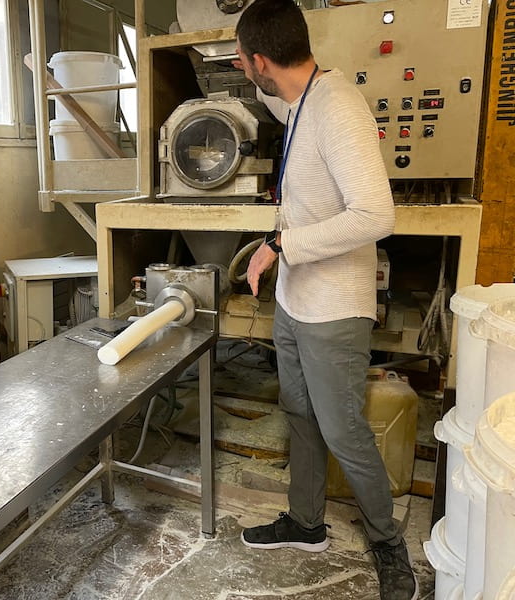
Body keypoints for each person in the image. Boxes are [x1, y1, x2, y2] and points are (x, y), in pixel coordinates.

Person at [232, 2, 418, 599]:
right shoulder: (297, 97)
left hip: (335, 307)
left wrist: (282, 243)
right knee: (301, 416)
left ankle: (389, 545)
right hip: (296, 298)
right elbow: (273, 95)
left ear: (262, 60)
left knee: (344, 433)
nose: (242, 70)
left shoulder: (336, 107)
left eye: (242, 61)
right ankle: (305, 523)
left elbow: (376, 214)